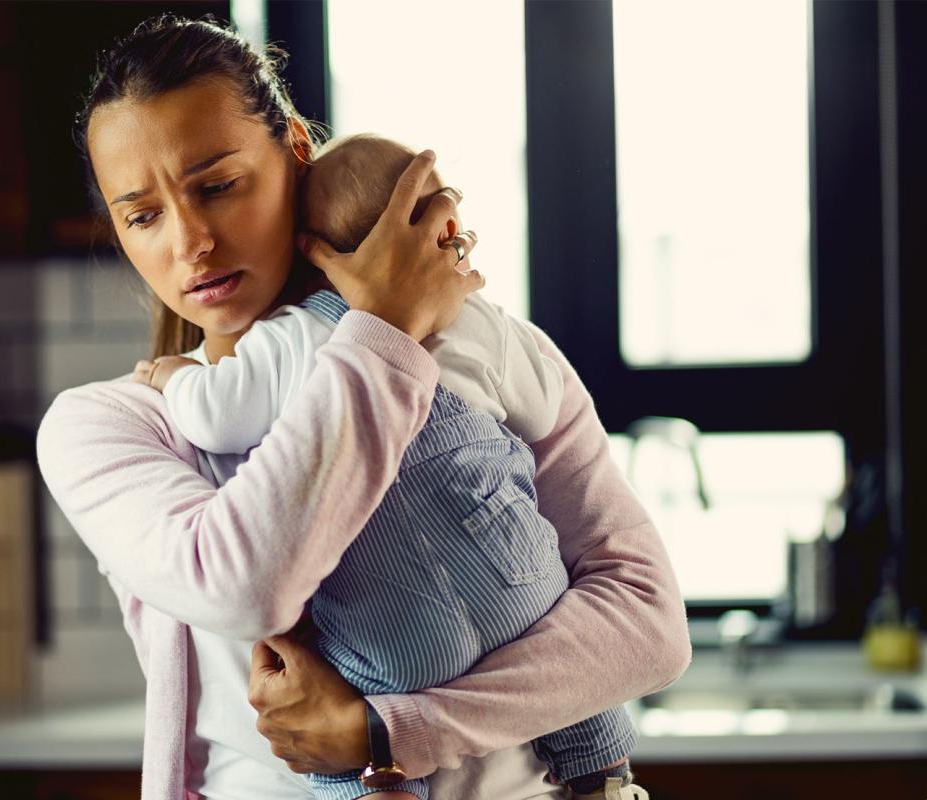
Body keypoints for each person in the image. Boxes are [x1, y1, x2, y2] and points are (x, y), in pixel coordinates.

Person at [36, 14, 690, 800]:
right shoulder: (114, 425)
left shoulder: (482, 351)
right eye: (143, 215)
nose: (191, 242)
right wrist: (380, 334)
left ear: (296, 153)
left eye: (217, 186)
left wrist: (387, 731)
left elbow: (649, 629)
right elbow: (249, 586)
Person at [135, 132, 641, 800]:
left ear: (307, 249)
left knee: (329, 715)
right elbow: (542, 412)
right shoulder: (487, 326)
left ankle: (380, 789)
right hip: (527, 595)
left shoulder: (293, 338)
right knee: (583, 689)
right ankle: (600, 771)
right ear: (446, 230)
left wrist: (174, 380)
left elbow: (216, 416)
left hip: (401, 635)